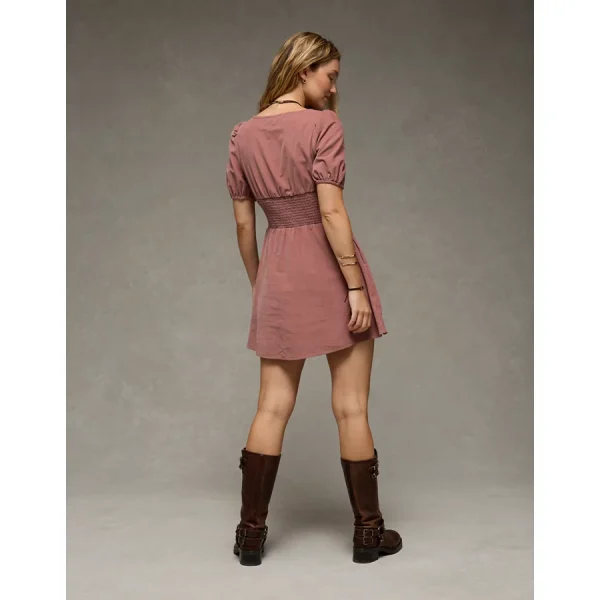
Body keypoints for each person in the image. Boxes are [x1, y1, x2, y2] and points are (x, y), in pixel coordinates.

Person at [225, 32, 402, 566]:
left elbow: (243, 225)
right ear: (304, 70)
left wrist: (261, 283)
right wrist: (354, 285)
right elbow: (330, 211)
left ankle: (250, 536)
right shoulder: (324, 126)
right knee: (351, 407)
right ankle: (368, 534)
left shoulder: (242, 134)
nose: (333, 88)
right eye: (330, 76)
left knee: (271, 406)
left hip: (278, 271)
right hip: (329, 269)